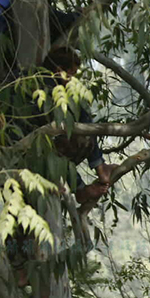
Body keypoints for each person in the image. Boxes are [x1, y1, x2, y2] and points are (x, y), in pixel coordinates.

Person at [34, 47, 115, 206]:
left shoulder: (42, 82)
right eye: (71, 74)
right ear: (59, 71)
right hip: (36, 154)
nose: (72, 80)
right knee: (81, 120)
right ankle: (92, 175)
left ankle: (95, 170)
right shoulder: (47, 89)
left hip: (41, 149)